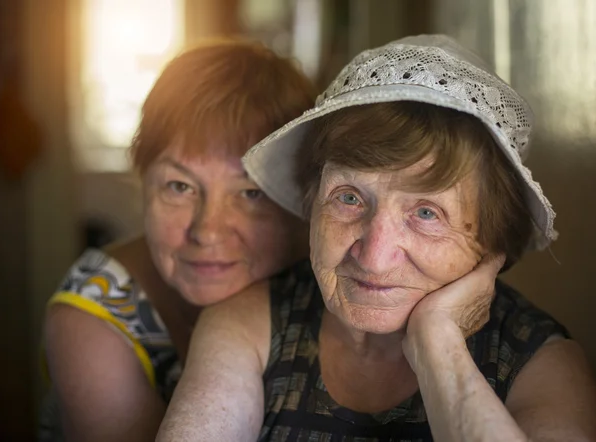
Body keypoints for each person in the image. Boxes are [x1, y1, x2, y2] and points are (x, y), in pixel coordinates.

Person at [158, 35, 596, 441]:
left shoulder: (541, 363)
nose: (374, 256)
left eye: (427, 212)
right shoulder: (248, 324)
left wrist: (438, 346)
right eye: (348, 198)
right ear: (312, 206)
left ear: (492, 240)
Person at [39, 38, 315, 442]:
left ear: (304, 198)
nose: (207, 230)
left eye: (251, 193)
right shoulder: (90, 320)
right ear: (141, 183)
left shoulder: (330, 282)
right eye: (179, 186)